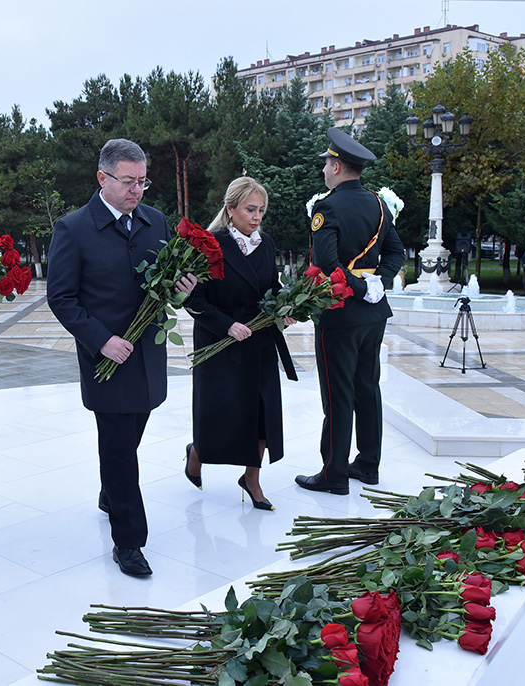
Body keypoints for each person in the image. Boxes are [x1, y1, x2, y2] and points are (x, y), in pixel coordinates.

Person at [47, 138, 196, 577]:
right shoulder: (73, 229)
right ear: (102, 178)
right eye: (128, 181)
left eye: (143, 181)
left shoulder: (155, 221)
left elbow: (165, 284)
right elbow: (61, 297)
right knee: (120, 452)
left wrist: (183, 290)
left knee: (128, 438)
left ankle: (109, 493)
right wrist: (101, 340)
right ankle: (129, 542)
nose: (137, 190)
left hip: (147, 357)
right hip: (106, 361)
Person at [295, 128, 405, 496]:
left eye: (327, 163)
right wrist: (378, 283)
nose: (324, 169)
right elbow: (396, 253)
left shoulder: (326, 207)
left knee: (338, 394)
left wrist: (359, 288)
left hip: (340, 312)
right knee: (367, 388)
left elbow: (326, 261)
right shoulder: (379, 204)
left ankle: (334, 474)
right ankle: (369, 466)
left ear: (338, 167)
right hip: (374, 315)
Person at [183, 178, 298, 510]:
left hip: (258, 340)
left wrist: (285, 308)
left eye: (261, 210)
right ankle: (196, 454)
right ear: (230, 209)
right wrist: (226, 326)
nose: (257, 217)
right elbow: (192, 299)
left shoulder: (266, 243)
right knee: (219, 414)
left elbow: (271, 286)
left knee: (262, 413)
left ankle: (251, 478)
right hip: (219, 342)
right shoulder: (209, 246)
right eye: (250, 209)